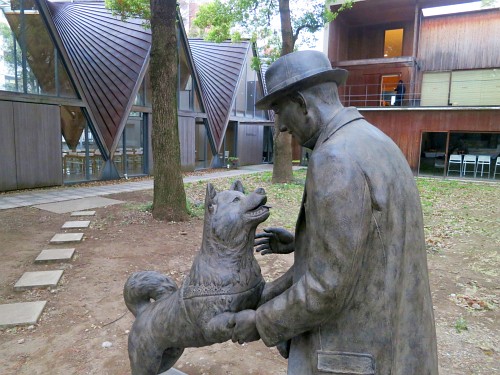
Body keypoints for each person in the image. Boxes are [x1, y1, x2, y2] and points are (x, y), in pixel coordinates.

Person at [225, 51, 438, 374]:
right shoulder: (374, 140)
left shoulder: (334, 158)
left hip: (353, 352)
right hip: (395, 344)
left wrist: (259, 322)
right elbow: (372, 238)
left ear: (302, 103)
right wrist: (304, 242)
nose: (281, 126)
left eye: (280, 110)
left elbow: (326, 288)